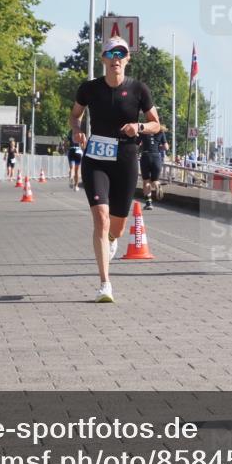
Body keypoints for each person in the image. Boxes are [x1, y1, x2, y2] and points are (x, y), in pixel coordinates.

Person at [69, 36, 160, 303]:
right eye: (112, 53)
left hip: (126, 158)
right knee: (101, 218)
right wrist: (76, 131)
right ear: (104, 59)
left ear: (127, 59)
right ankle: (105, 284)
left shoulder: (138, 90)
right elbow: (75, 115)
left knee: (117, 228)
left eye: (122, 54)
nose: (117, 58)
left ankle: (111, 239)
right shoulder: (89, 89)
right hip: (96, 157)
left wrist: (139, 127)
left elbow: (156, 123)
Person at [139, 124, 169, 210]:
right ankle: (158, 185)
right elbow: (166, 147)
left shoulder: (143, 130)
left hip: (145, 156)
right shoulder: (161, 131)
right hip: (156, 157)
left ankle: (148, 203)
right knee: (155, 180)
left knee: (146, 181)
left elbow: (137, 144)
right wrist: (157, 148)